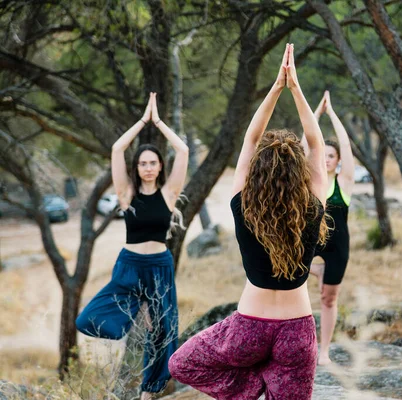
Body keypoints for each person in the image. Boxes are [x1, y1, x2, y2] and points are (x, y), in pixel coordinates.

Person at [168, 43, 328, 400]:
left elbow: (250, 138)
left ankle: (252, 388)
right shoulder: (313, 207)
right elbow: (316, 145)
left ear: (257, 173)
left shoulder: (244, 205)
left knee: (181, 363)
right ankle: (264, 384)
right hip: (296, 333)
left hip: (247, 331)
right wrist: (296, 89)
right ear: (300, 174)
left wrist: (275, 88)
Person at [76, 93, 189, 400]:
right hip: (129, 266)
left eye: (153, 163)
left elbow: (183, 149)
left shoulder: (168, 193)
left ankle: (148, 391)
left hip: (160, 267)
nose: (148, 167)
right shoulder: (126, 195)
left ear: (159, 166)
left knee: (164, 329)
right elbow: (116, 149)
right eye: (142, 163)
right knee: (87, 318)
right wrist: (143, 120)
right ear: (137, 168)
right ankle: (129, 319)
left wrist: (159, 122)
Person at [302, 90, 354, 366]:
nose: (328, 158)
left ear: (337, 160)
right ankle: (301, 345)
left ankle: (324, 351)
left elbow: (346, 147)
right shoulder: (311, 181)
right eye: (324, 154)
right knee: (291, 282)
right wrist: (315, 115)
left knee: (328, 298)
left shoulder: (344, 182)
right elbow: (302, 147)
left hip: (337, 246)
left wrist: (331, 114)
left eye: (332, 155)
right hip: (312, 242)